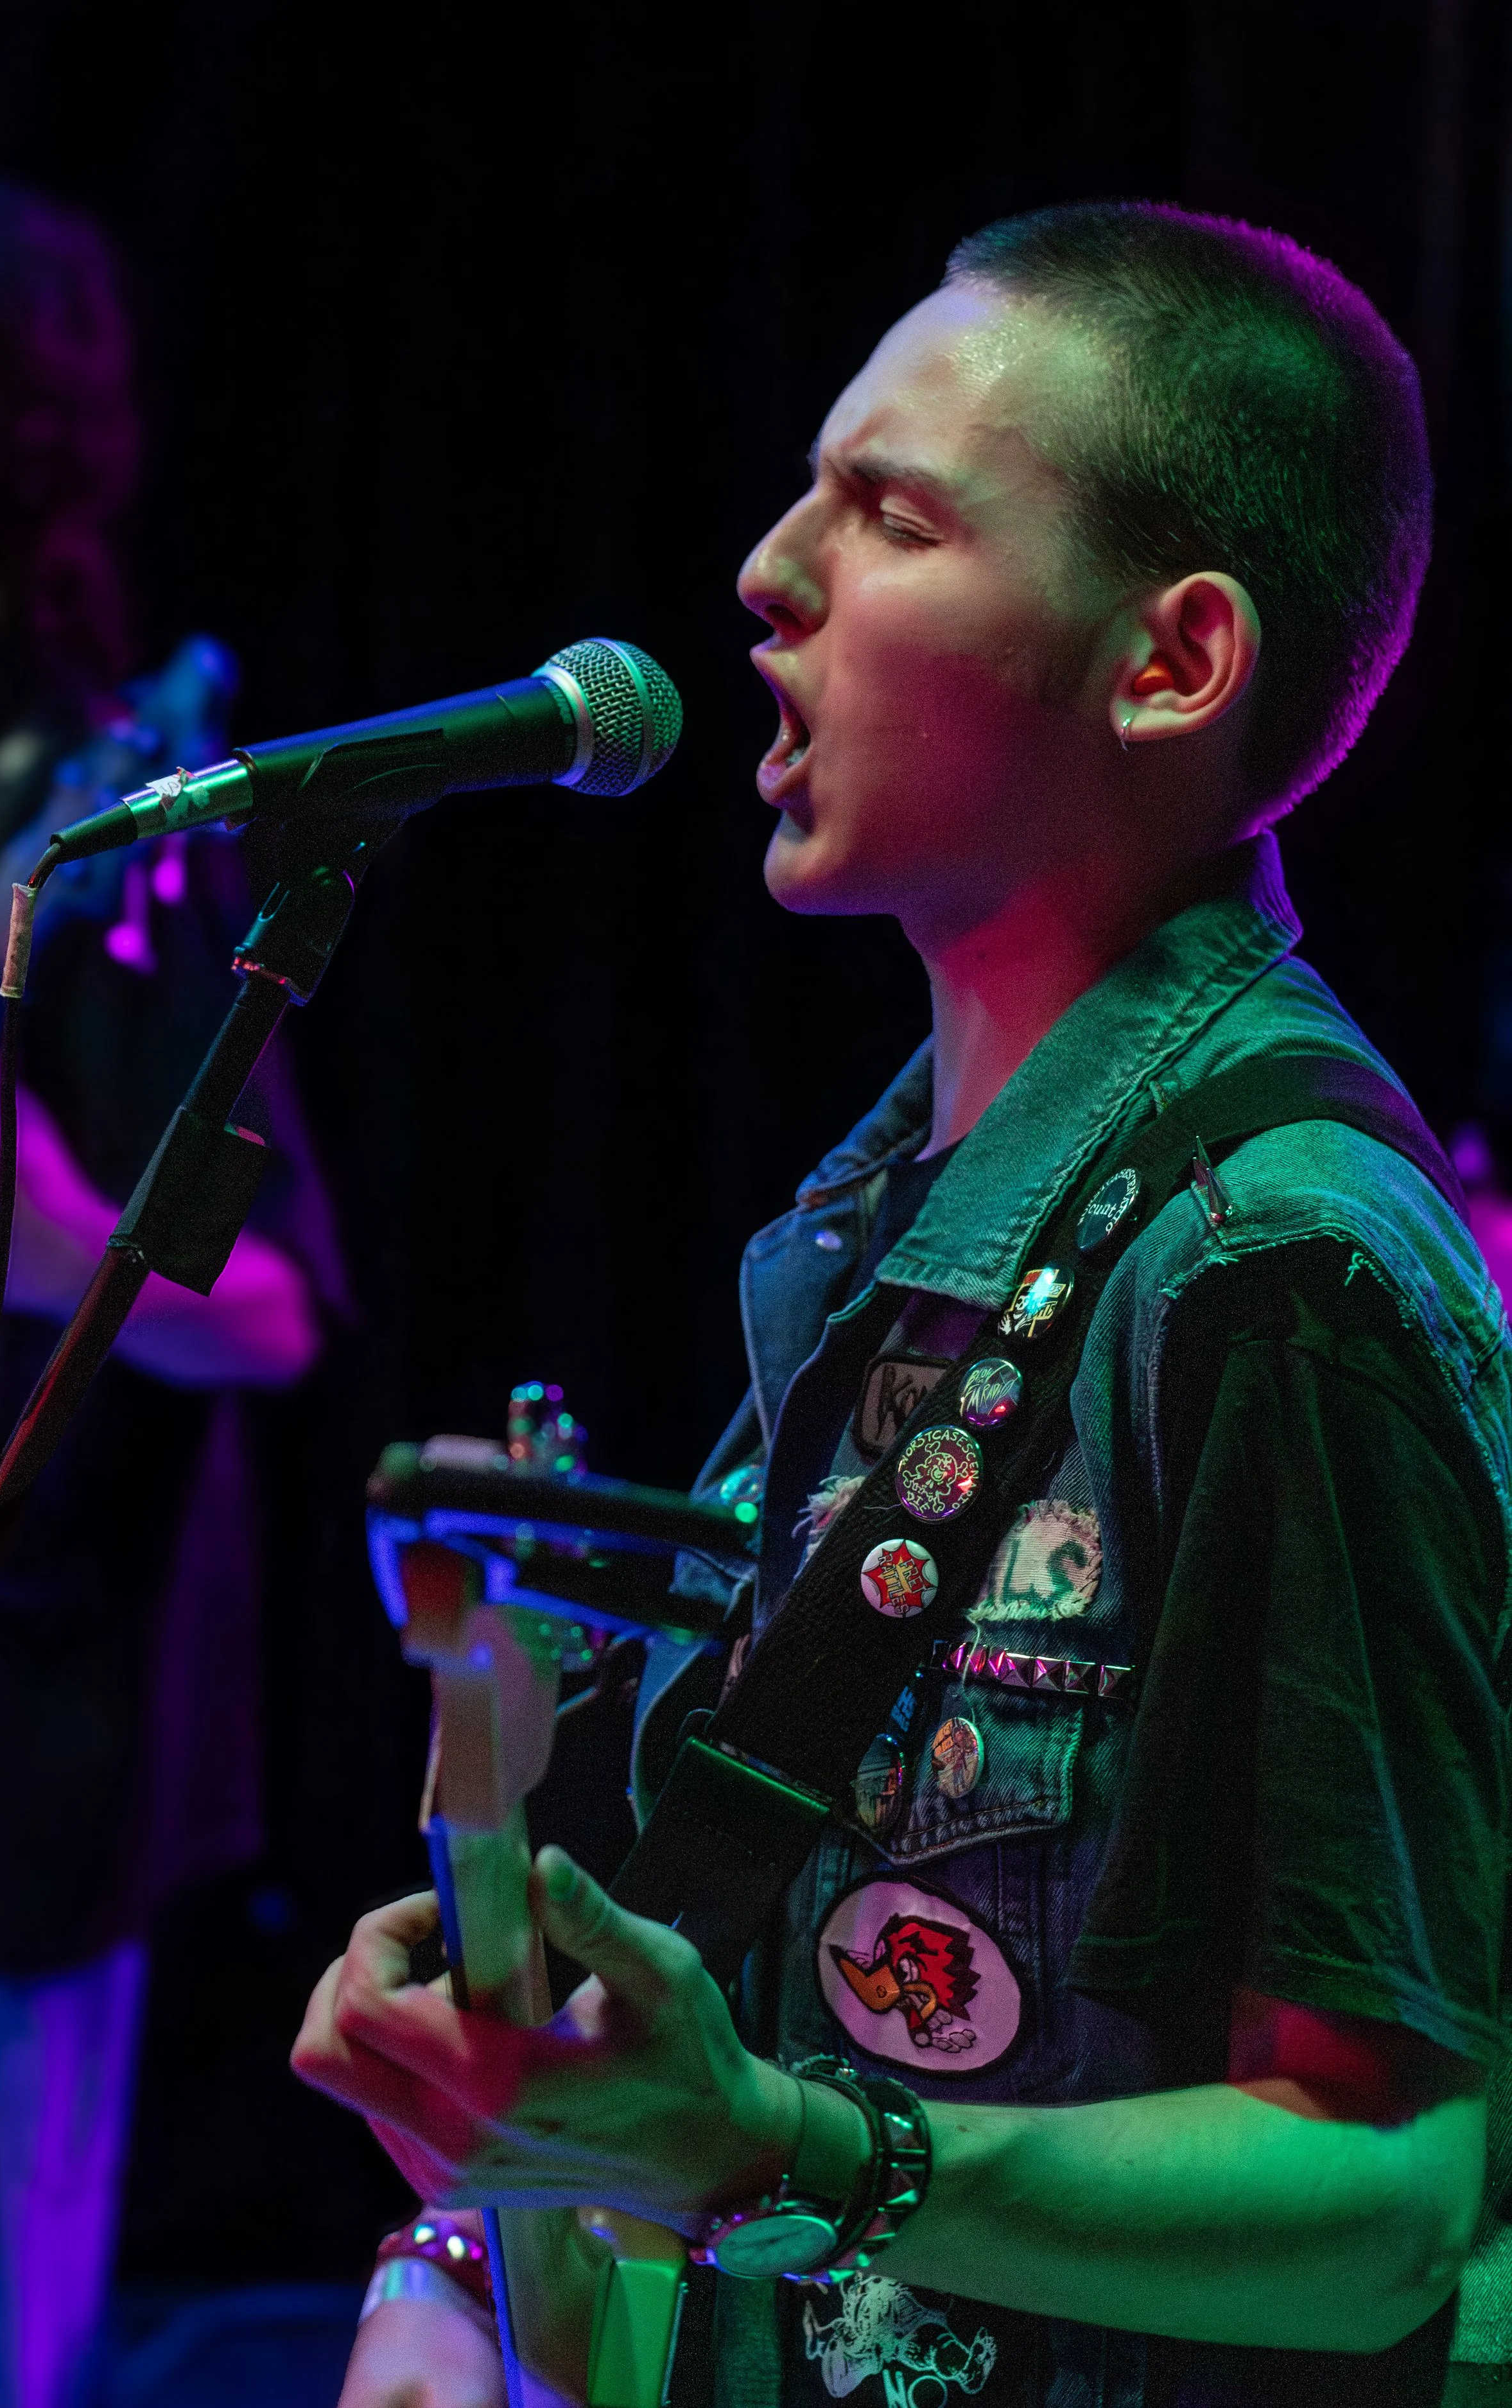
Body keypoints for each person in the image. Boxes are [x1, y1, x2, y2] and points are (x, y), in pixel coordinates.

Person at [295, 203, 1508, 2408]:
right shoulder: (879, 1222)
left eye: (891, 514)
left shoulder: (1279, 1265)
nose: (768, 570)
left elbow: (1391, 2195)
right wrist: (471, 2229)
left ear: (1169, 661)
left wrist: (774, 2151)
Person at [0, 169, 332, 2407]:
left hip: (2, 1730)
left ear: (4, 447)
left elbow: (270, 1315)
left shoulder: (114, 799)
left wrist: (53, 1228)